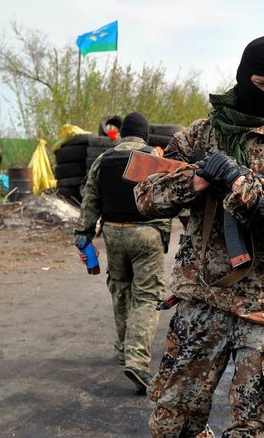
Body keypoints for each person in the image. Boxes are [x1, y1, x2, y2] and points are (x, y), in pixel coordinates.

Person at [134, 35, 264, 438]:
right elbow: (146, 196)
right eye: (260, 83)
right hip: (202, 297)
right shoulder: (201, 135)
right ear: (241, 76)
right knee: (173, 420)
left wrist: (241, 186)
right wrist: (198, 179)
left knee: (253, 426)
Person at [74, 111, 171, 393]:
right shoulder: (155, 157)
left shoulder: (103, 160)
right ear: (145, 134)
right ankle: (138, 362)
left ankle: (123, 348)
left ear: (123, 132)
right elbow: (177, 197)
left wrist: (83, 238)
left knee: (120, 287)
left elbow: (89, 198)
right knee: (147, 295)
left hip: (114, 233)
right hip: (147, 234)